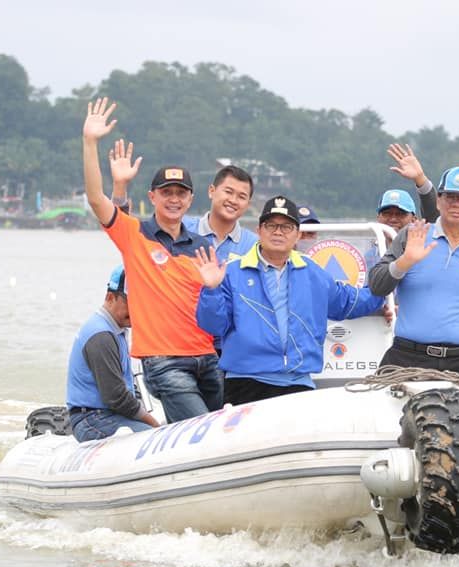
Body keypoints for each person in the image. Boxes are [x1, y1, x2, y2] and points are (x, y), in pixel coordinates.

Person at [82, 98, 222, 423]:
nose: (174, 199)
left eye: (181, 193)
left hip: (207, 359)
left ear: (190, 199)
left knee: (218, 435)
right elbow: (94, 199)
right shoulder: (134, 236)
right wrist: (89, 143)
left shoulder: (203, 247)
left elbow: (214, 312)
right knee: (203, 430)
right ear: (153, 197)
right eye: (166, 192)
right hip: (165, 362)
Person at [194, 196, 387, 405]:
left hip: (299, 382)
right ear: (259, 231)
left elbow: (348, 302)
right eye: (271, 225)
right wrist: (211, 289)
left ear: (297, 236)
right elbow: (212, 325)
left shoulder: (312, 271)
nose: (278, 232)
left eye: (286, 227)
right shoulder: (232, 271)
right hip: (245, 382)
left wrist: (390, 282)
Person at [368, 164, 459, 384]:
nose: (457, 203)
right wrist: (405, 261)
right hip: (407, 356)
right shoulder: (412, 236)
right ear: (438, 200)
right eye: (450, 196)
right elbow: (377, 286)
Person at [67, 265, 160, 442]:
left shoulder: (115, 329)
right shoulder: (101, 335)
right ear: (110, 298)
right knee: (153, 436)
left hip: (108, 415)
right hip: (92, 419)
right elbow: (115, 396)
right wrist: (154, 423)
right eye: (130, 303)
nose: (136, 311)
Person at [387, 143, 459, 226]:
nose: (458, 205)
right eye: (451, 197)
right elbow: (432, 213)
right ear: (439, 201)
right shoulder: (429, 242)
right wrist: (420, 178)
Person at [183, 165, 260, 262]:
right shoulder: (183, 229)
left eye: (241, 197)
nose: (233, 200)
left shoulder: (254, 245)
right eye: (228, 192)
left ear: (248, 204)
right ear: (211, 191)